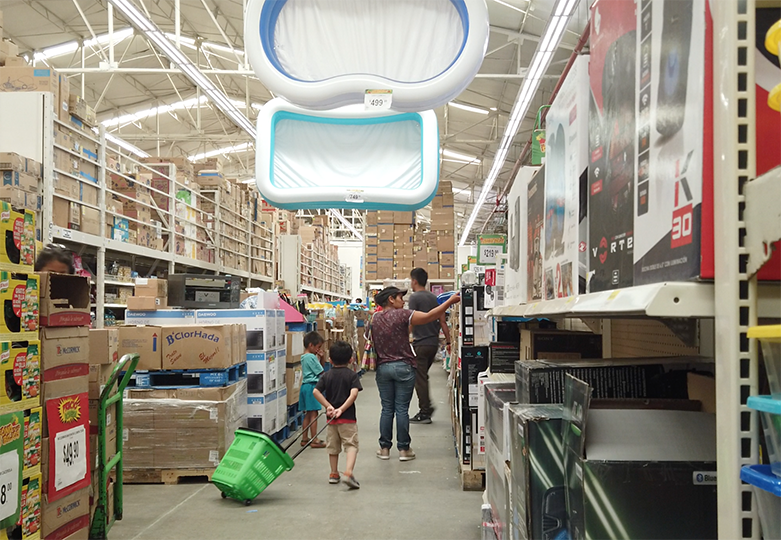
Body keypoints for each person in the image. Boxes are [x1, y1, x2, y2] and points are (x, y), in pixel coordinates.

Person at [370, 286, 460, 461]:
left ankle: (384, 449)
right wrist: (449, 302)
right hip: (403, 366)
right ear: (391, 299)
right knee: (402, 409)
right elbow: (429, 317)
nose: (402, 301)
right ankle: (404, 450)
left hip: (383, 368)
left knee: (387, 409)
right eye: (399, 297)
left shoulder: (374, 318)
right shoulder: (403, 314)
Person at [313, 340, 362, 489]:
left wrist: (329, 407)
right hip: (347, 418)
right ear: (351, 359)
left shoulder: (327, 375)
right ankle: (348, 472)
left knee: (333, 447)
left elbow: (316, 391)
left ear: (330, 360)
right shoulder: (352, 376)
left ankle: (333, 473)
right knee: (351, 445)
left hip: (331, 419)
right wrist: (341, 409)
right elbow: (353, 394)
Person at [408, 268, 451, 424]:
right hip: (433, 344)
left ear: (414, 281)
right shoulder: (434, 298)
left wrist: (403, 337)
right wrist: (449, 341)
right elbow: (443, 322)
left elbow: (411, 320)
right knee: (422, 377)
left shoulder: (414, 297)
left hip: (420, 344)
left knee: (419, 379)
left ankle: (425, 411)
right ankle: (426, 408)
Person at [299, 331, 326, 448]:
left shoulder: (304, 357)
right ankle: (314, 439)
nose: (318, 349)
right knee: (314, 413)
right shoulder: (311, 357)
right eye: (318, 347)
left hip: (305, 386)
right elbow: (321, 371)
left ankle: (305, 438)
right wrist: (322, 357)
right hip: (312, 387)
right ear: (311, 345)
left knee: (308, 414)